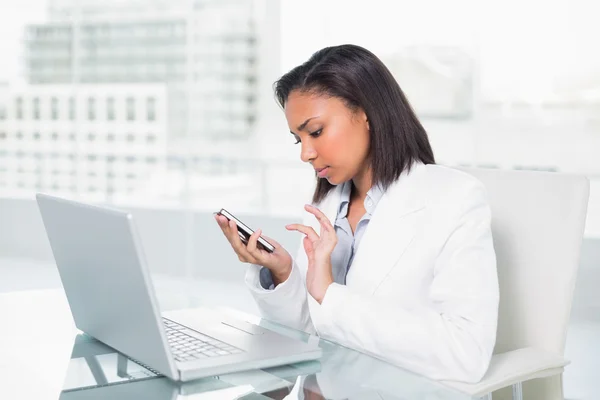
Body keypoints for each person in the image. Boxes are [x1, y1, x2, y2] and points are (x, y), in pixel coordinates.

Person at [214, 44, 499, 383]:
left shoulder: (454, 199)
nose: (306, 153)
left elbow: (465, 353)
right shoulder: (326, 205)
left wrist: (330, 294)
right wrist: (283, 273)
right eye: (298, 139)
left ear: (365, 113)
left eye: (316, 131)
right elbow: (314, 332)